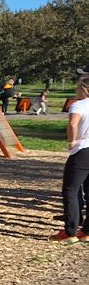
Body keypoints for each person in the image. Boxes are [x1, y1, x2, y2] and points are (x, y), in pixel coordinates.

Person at [50, 75, 89, 243]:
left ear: (83, 89)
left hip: (82, 150)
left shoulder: (78, 105)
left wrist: (72, 141)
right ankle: (87, 231)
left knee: (71, 190)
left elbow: (73, 124)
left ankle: (70, 231)